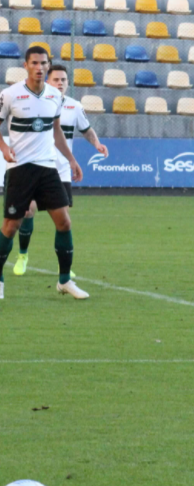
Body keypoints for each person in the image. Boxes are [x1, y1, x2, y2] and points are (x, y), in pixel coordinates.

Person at [0, 47, 86, 300]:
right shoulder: (9, 95)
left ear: (48, 66)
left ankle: (64, 281)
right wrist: (4, 147)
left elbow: (56, 131)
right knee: (11, 226)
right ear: (26, 65)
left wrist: (71, 160)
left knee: (64, 222)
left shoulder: (54, 96)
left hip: (48, 167)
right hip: (20, 169)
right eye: (35, 63)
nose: (39, 67)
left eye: (43, 63)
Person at [12, 65, 108, 279]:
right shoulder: (38, 103)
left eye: (64, 80)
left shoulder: (74, 107)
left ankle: (62, 267)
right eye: (56, 79)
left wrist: (97, 144)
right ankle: (23, 255)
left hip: (62, 172)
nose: (60, 83)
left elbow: (86, 129)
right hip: (36, 167)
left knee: (62, 220)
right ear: (48, 80)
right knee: (28, 211)